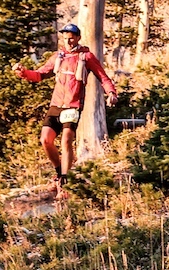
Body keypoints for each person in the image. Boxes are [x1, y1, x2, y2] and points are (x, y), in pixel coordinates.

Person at [19, 25, 117, 197]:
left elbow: (103, 77)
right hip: (56, 105)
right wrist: (23, 73)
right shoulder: (58, 56)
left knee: (66, 141)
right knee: (45, 140)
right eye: (65, 38)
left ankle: (65, 183)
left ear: (78, 38)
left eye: (71, 38)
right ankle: (59, 173)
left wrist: (111, 93)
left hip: (73, 106)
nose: (68, 41)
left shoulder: (86, 57)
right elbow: (40, 75)